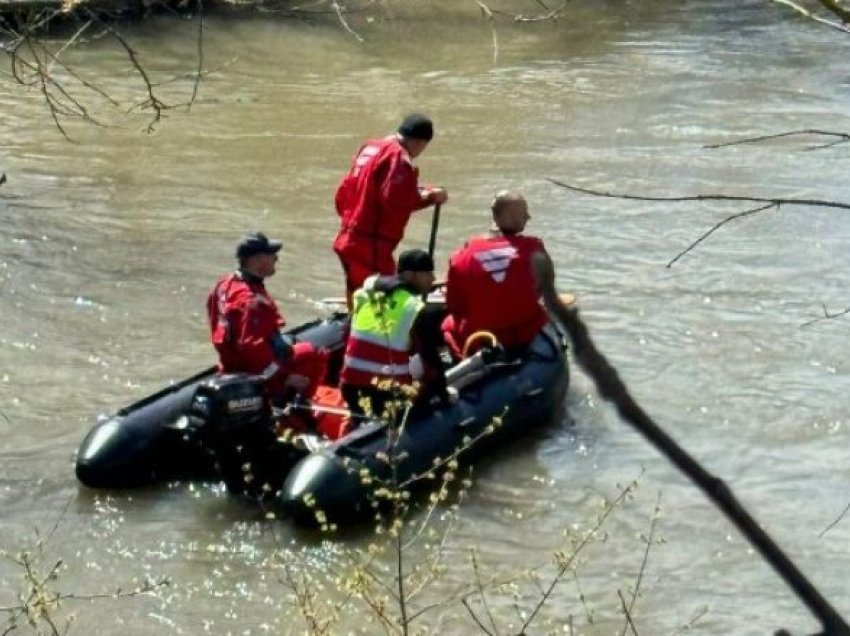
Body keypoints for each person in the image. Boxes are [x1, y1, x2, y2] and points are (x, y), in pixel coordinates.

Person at [333, 114, 449, 307]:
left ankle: (353, 328)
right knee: (386, 298)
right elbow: (395, 201)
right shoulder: (399, 159)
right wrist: (430, 198)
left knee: (358, 292)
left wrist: (424, 192)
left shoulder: (370, 148)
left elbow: (343, 195)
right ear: (420, 142)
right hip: (371, 246)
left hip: (347, 238)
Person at [206, 232, 328, 405]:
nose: (276, 258)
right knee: (316, 352)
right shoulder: (253, 302)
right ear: (256, 261)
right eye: (271, 255)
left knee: (290, 341)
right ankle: (300, 409)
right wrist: (284, 377)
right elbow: (251, 348)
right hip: (255, 371)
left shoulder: (224, 285)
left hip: (229, 363)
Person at [442, 191, 557, 359]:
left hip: (479, 337)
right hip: (523, 334)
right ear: (509, 215)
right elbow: (547, 288)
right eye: (524, 213)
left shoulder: (461, 256)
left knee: (447, 324)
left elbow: (454, 304)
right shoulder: (534, 248)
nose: (528, 217)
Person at [340, 248, 449, 420]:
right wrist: (443, 394)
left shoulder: (364, 295)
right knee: (427, 376)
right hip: (387, 394)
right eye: (427, 273)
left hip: (350, 388)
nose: (433, 279)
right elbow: (430, 357)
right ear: (409, 276)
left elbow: (347, 334)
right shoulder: (413, 307)